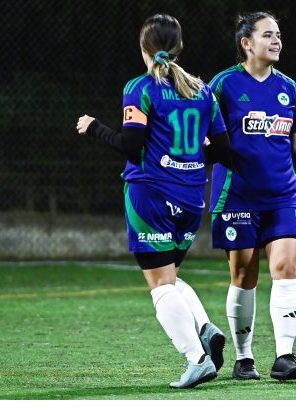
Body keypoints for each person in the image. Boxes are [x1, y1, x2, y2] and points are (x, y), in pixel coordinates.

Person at [76, 14, 232, 389]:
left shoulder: (140, 87)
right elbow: (225, 151)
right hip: (193, 199)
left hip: (151, 195)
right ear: (179, 48)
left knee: (161, 284)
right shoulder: (203, 91)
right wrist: (189, 160)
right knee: (170, 276)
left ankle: (197, 359)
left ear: (144, 48)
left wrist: (93, 127)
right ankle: (205, 328)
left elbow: (131, 147)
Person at [208, 11, 296, 381]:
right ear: (247, 43)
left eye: (279, 35)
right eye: (268, 35)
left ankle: (285, 357)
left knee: (286, 269)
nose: (276, 41)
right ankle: (244, 358)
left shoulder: (289, 87)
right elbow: (204, 134)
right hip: (237, 196)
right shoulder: (223, 85)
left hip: (282, 196)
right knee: (244, 276)